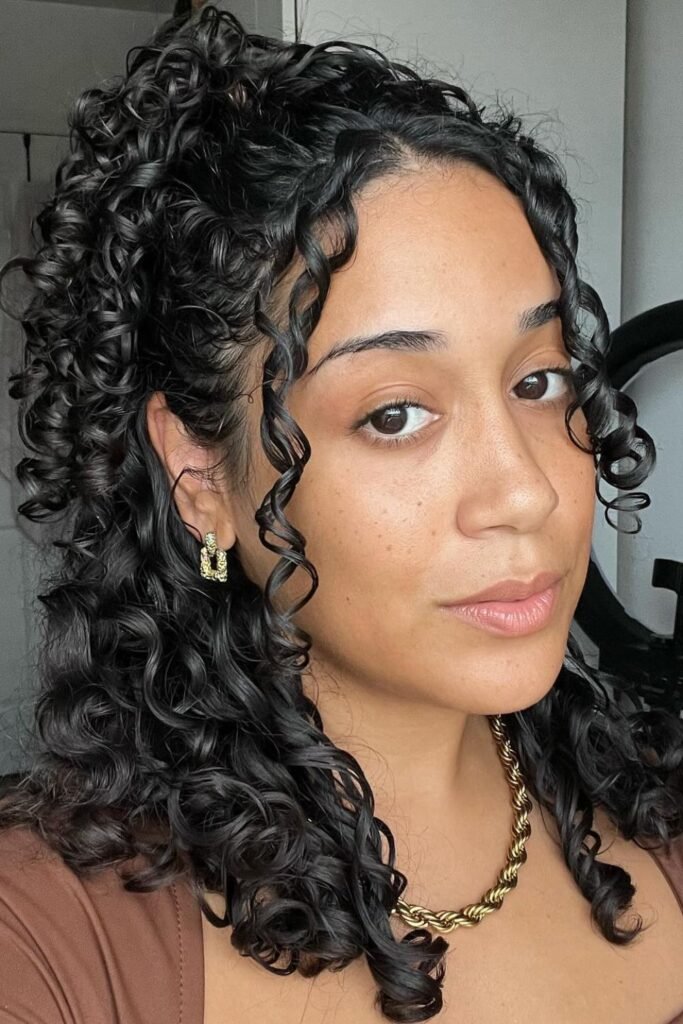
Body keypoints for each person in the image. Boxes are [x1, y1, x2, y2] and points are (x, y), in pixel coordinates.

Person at [0, 6, 682, 1023]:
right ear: (200, 476)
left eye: (538, 381)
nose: (526, 491)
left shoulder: (659, 824)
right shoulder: (50, 943)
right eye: (394, 413)